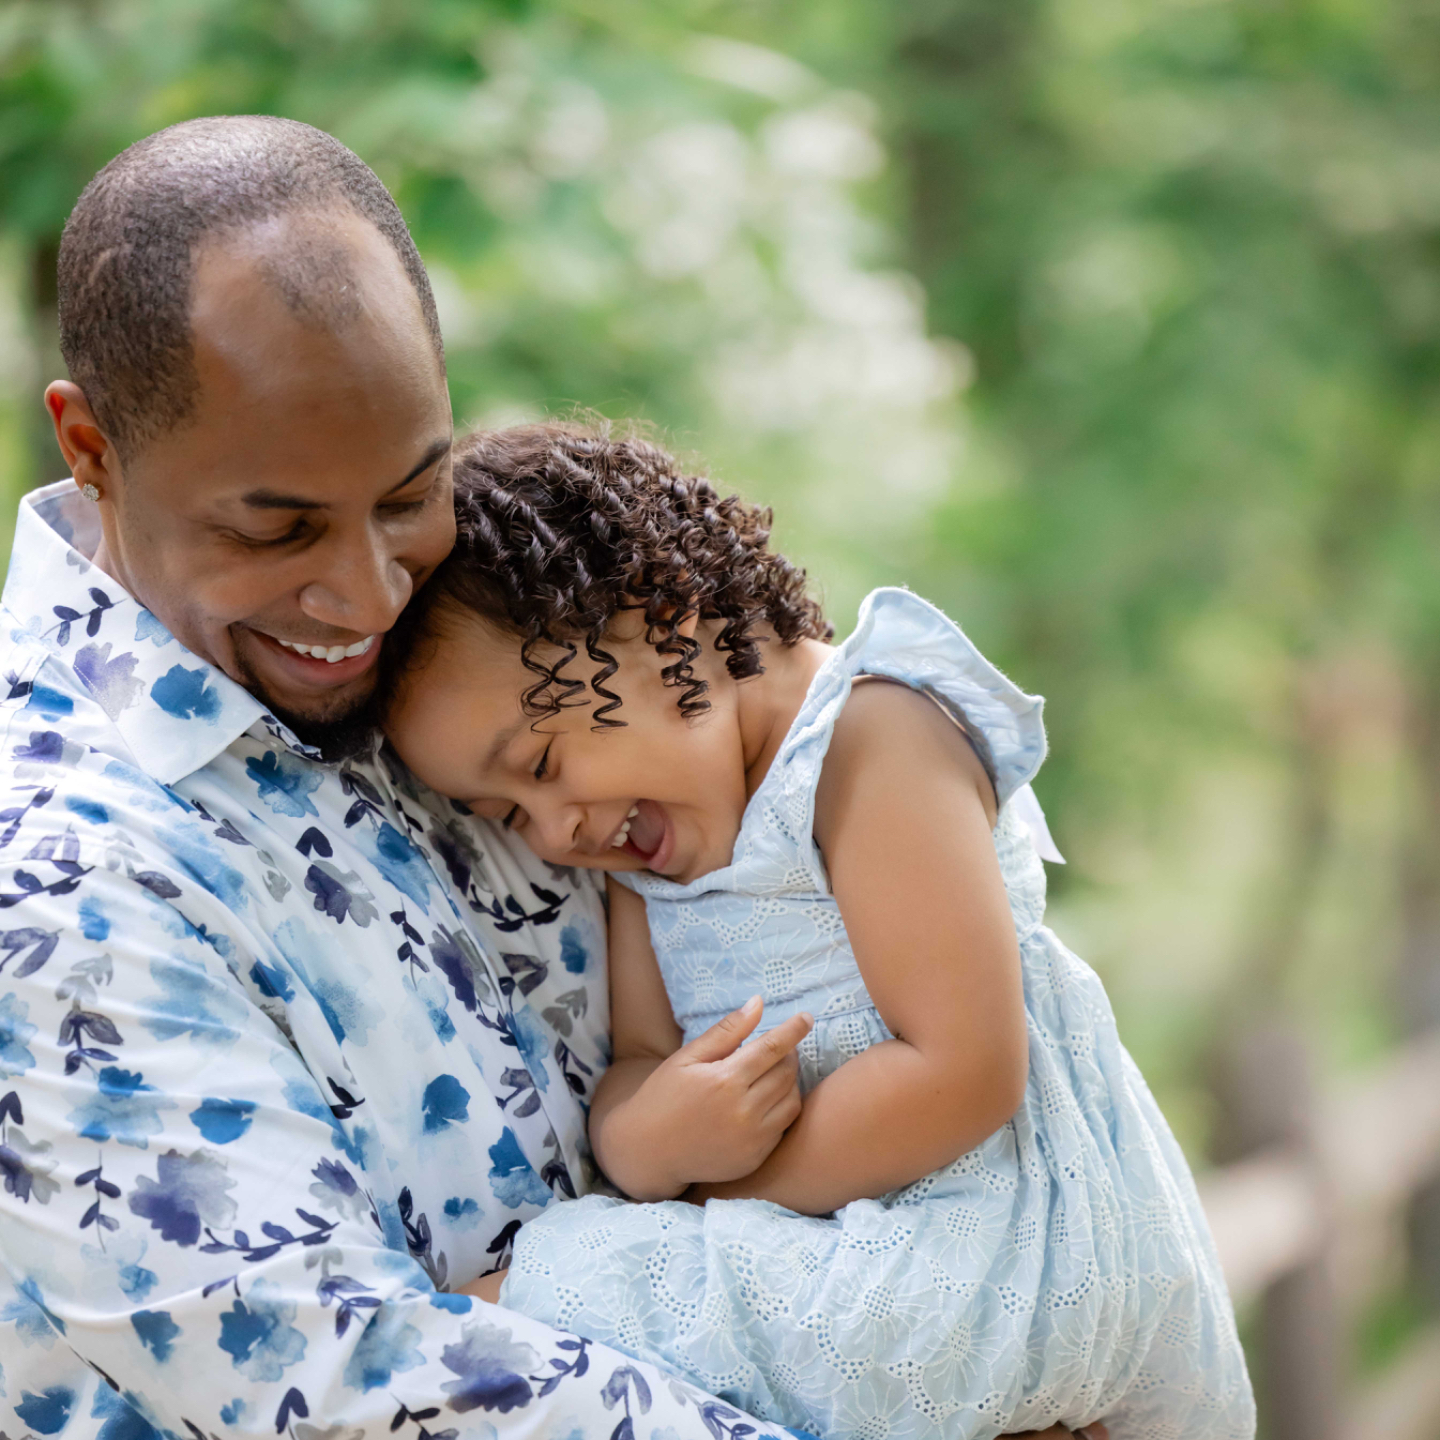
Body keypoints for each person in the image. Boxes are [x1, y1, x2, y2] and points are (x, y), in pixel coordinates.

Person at [0, 115, 813, 1440]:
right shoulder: (47, 872)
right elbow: (347, 1391)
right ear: (91, 450)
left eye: (408, 494)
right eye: (279, 529)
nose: (370, 592)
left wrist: (990, 1331)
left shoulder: (480, 640)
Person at [381, 424, 1257, 1439]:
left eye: (537, 767)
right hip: (834, 1234)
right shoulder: (639, 847)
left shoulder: (870, 738)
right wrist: (644, 1136)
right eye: (507, 819)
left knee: (514, 1313)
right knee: (532, 1307)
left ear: (656, 611)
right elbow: (641, 1058)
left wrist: (713, 1182)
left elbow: (964, 1074)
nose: (555, 832)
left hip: (993, 1242)